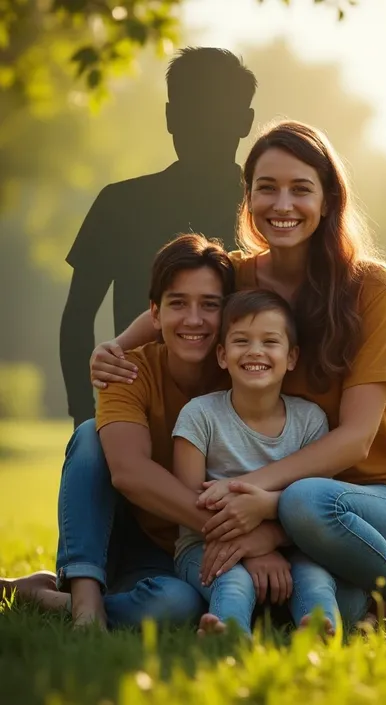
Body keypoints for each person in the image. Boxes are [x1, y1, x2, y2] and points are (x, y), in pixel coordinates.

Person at [89, 120, 386, 626]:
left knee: (307, 500)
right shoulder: (238, 277)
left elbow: (354, 440)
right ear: (248, 198)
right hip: (288, 523)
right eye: (267, 188)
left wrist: (257, 497)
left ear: (328, 200)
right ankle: (358, 610)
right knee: (298, 609)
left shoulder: (372, 288)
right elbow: (178, 307)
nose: (282, 204)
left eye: (300, 189)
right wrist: (116, 347)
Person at [1, 234, 299, 630]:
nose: (193, 319)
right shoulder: (127, 370)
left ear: (228, 315)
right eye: (178, 304)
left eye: (210, 305)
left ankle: (49, 597)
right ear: (155, 314)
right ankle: (85, 604)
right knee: (91, 436)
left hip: (191, 551)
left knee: (173, 607)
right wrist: (240, 536)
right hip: (129, 535)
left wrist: (260, 539)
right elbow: (128, 472)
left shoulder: (248, 371)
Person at [60, 47, 257, 428]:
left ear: (244, 122)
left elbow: (77, 317)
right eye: (192, 113)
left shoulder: (263, 211)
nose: (203, 127)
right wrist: (85, 417)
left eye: (215, 116)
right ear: (170, 117)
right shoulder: (118, 204)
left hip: (243, 414)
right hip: (139, 404)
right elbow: (78, 318)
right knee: (88, 457)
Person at [173, 289, 338, 637]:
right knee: (232, 580)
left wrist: (269, 540)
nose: (255, 351)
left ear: (291, 357)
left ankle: (321, 632)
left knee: (315, 577)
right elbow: (189, 507)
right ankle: (228, 634)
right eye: (241, 340)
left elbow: (316, 508)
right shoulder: (199, 416)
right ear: (221, 354)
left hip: (291, 543)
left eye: (270, 341)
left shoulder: (310, 421)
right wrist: (249, 552)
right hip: (206, 545)